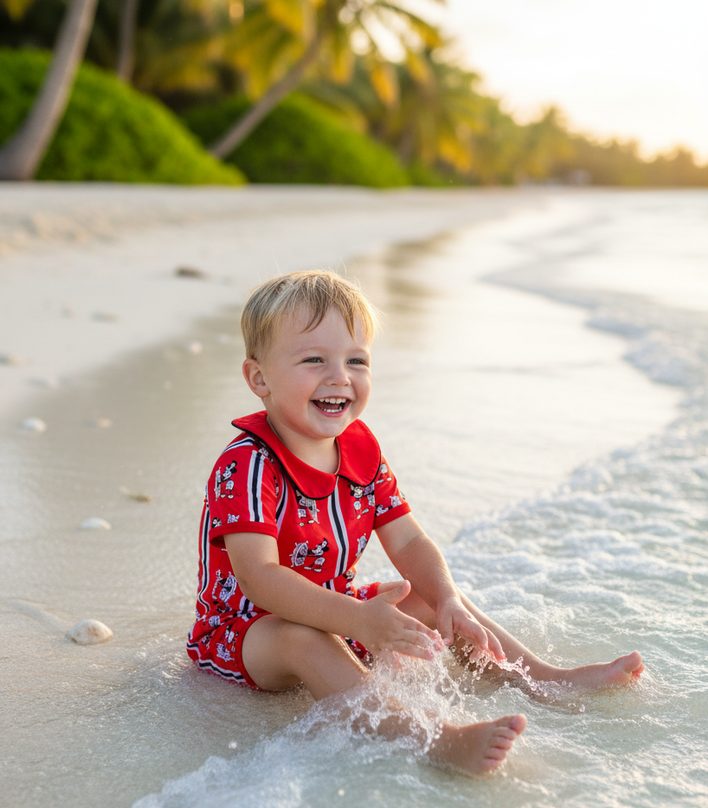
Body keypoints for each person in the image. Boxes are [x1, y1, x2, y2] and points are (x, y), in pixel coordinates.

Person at [188, 270, 644, 774]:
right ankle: (433, 741)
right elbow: (260, 579)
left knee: (427, 597)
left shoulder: (361, 449)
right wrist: (357, 620)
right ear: (259, 379)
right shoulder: (248, 465)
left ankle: (541, 679)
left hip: (334, 612)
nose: (340, 376)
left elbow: (407, 539)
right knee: (304, 637)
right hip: (247, 633)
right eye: (314, 359)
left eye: (356, 360)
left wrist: (447, 599)